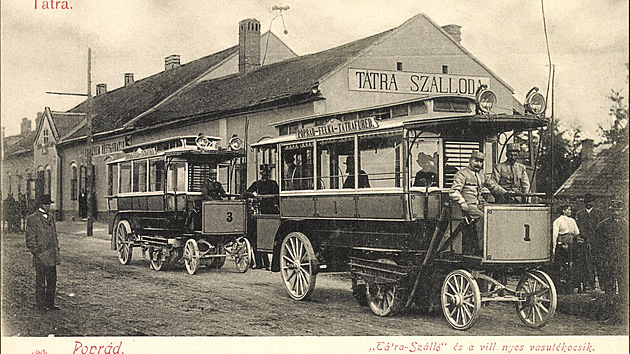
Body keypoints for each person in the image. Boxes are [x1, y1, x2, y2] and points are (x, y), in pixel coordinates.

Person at [449, 150, 508, 254]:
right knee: (482, 217)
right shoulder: (462, 174)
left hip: (480, 203)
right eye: (476, 161)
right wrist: (462, 202)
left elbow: (493, 186)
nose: (479, 164)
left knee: (495, 213)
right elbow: (454, 191)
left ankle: (497, 246)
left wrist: (506, 193)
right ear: (470, 160)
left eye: (481, 162)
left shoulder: (481, 174)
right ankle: (483, 249)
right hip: (469, 205)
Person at [25, 194, 60, 310]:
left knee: (52, 280)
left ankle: (50, 303)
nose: (48, 206)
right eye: (46, 204)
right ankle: (40, 304)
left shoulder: (50, 217)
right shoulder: (32, 218)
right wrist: (37, 252)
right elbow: (30, 238)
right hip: (41, 255)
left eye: (49, 204)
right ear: (41, 205)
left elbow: (54, 235)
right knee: (40, 281)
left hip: (51, 254)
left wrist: (56, 249)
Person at [243, 164, 279, 269]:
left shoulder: (273, 184)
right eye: (264, 174)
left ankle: (265, 263)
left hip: (270, 212)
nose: (266, 176)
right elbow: (245, 194)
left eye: (267, 174)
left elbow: (278, 195)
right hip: (262, 212)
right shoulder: (257, 184)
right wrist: (252, 195)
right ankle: (260, 263)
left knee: (261, 237)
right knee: (257, 237)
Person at [595, 200, 628, 297]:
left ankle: (622, 299)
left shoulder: (625, 225)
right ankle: (610, 300)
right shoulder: (603, 225)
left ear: (622, 211)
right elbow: (598, 243)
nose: (616, 213)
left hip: (622, 257)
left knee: (623, 280)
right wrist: (601, 256)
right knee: (609, 280)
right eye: (613, 210)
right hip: (608, 257)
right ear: (610, 211)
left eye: (618, 210)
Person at [575, 193, 604, 291]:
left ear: (593, 202)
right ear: (584, 203)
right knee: (587, 263)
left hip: (597, 242)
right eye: (587, 202)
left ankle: (601, 284)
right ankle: (590, 283)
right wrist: (581, 238)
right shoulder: (580, 214)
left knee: (599, 263)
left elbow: (602, 228)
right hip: (585, 242)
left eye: (590, 201)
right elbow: (578, 228)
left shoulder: (599, 213)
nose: (589, 203)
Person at [552, 204, 580, 293]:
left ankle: (570, 285)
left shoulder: (572, 221)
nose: (570, 211)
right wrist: (554, 246)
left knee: (571, 264)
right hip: (561, 245)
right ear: (564, 210)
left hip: (571, 244)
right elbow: (555, 235)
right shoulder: (558, 221)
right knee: (561, 265)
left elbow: (576, 232)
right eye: (568, 209)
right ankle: (559, 285)